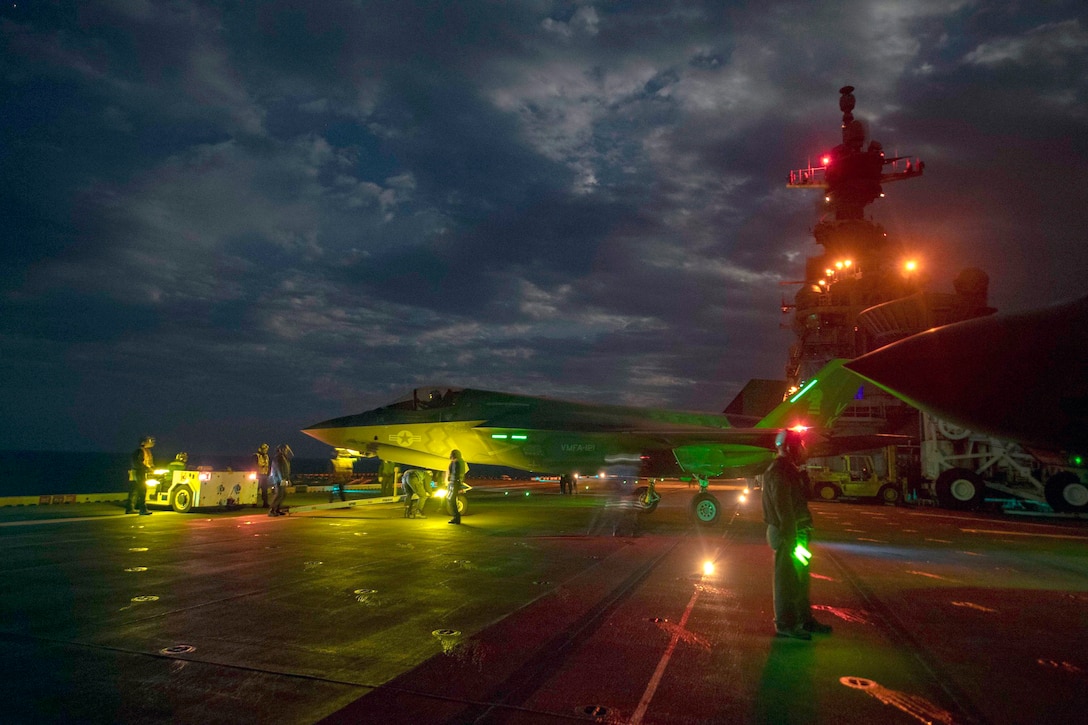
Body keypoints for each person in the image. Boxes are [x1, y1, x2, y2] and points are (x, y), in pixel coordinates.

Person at [761, 428, 832, 640]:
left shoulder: (790, 470)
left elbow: (801, 500)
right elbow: (783, 508)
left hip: (797, 532)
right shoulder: (778, 471)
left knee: (800, 578)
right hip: (786, 533)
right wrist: (791, 537)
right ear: (790, 447)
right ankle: (785, 624)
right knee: (786, 580)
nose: (803, 449)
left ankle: (804, 620)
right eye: (799, 444)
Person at [126, 435, 155, 516]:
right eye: (149, 441)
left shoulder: (146, 451)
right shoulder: (140, 451)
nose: (151, 442)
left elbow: (149, 463)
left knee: (134, 490)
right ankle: (143, 509)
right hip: (138, 472)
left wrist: (152, 468)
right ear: (144, 442)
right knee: (142, 490)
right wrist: (147, 468)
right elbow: (137, 462)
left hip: (139, 472)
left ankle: (129, 508)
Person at [268, 444, 293, 517]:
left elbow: (285, 468)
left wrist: (287, 479)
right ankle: (272, 510)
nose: (286, 451)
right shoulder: (278, 457)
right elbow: (279, 469)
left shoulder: (283, 457)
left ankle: (277, 509)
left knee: (283, 494)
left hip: (282, 478)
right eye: (285, 449)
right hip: (278, 479)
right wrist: (282, 479)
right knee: (279, 494)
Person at [447, 449, 468, 524]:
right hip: (456, 483)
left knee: (451, 500)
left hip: (454, 483)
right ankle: (456, 517)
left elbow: (455, 474)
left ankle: (456, 517)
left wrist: (451, 480)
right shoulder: (460, 461)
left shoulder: (456, 462)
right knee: (451, 499)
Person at [253, 443, 271, 508]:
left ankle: (265, 503)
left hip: (264, 475)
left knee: (265, 490)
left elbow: (268, 465)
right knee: (255, 490)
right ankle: (254, 503)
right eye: (265, 449)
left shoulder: (266, 456)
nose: (266, 450)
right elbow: (253, 465)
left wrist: (268, 473)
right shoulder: (256, 456)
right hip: (258, 475)